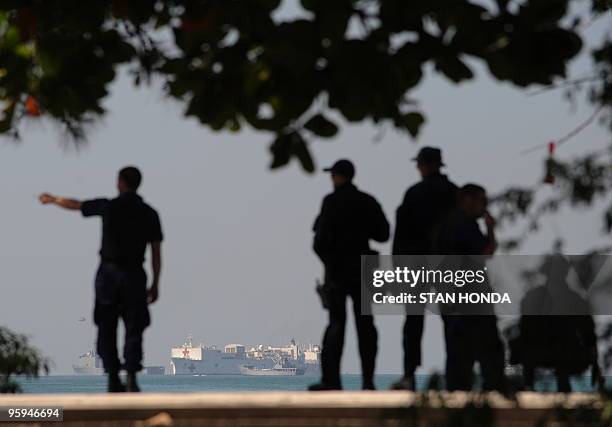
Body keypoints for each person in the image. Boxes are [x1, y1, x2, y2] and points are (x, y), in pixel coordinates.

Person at [39, 166, 162, 392]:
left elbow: (77, 205)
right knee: (134, 326)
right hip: (135, 274)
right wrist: (155, 283)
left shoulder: (109, 207)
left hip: (108, 274)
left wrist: (54, 199)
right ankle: (132, 376)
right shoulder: (149, 213)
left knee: (107, 324)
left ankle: (113, 376)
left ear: (120, 183)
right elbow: (155, 252)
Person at [310, 159, 390, 391]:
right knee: (366, 327)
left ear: (336, 177)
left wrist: (330, 263)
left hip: (336, 272)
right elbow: (383, 234)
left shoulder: (330, 202)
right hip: (363, 270)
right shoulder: (366, 201)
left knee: (336, 325)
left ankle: (331, 381)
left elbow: (318, 242)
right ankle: (368, 380)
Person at [390, 147, 458, 391]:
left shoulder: (414, 194)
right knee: (451, 321)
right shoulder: (453, 193)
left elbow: (401, 233)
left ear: (425, 166)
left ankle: (409, 374)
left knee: (413, 322)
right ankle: (455, 375)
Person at [436, 184, 505, 391]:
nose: (484, 206)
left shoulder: (446, 224)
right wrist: (491, 229)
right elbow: (487, 251)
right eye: (482, 201)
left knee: (457, 350)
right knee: (488, 345)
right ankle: (491, 387)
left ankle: (456, 390)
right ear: (469, 200)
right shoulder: (466, 225)